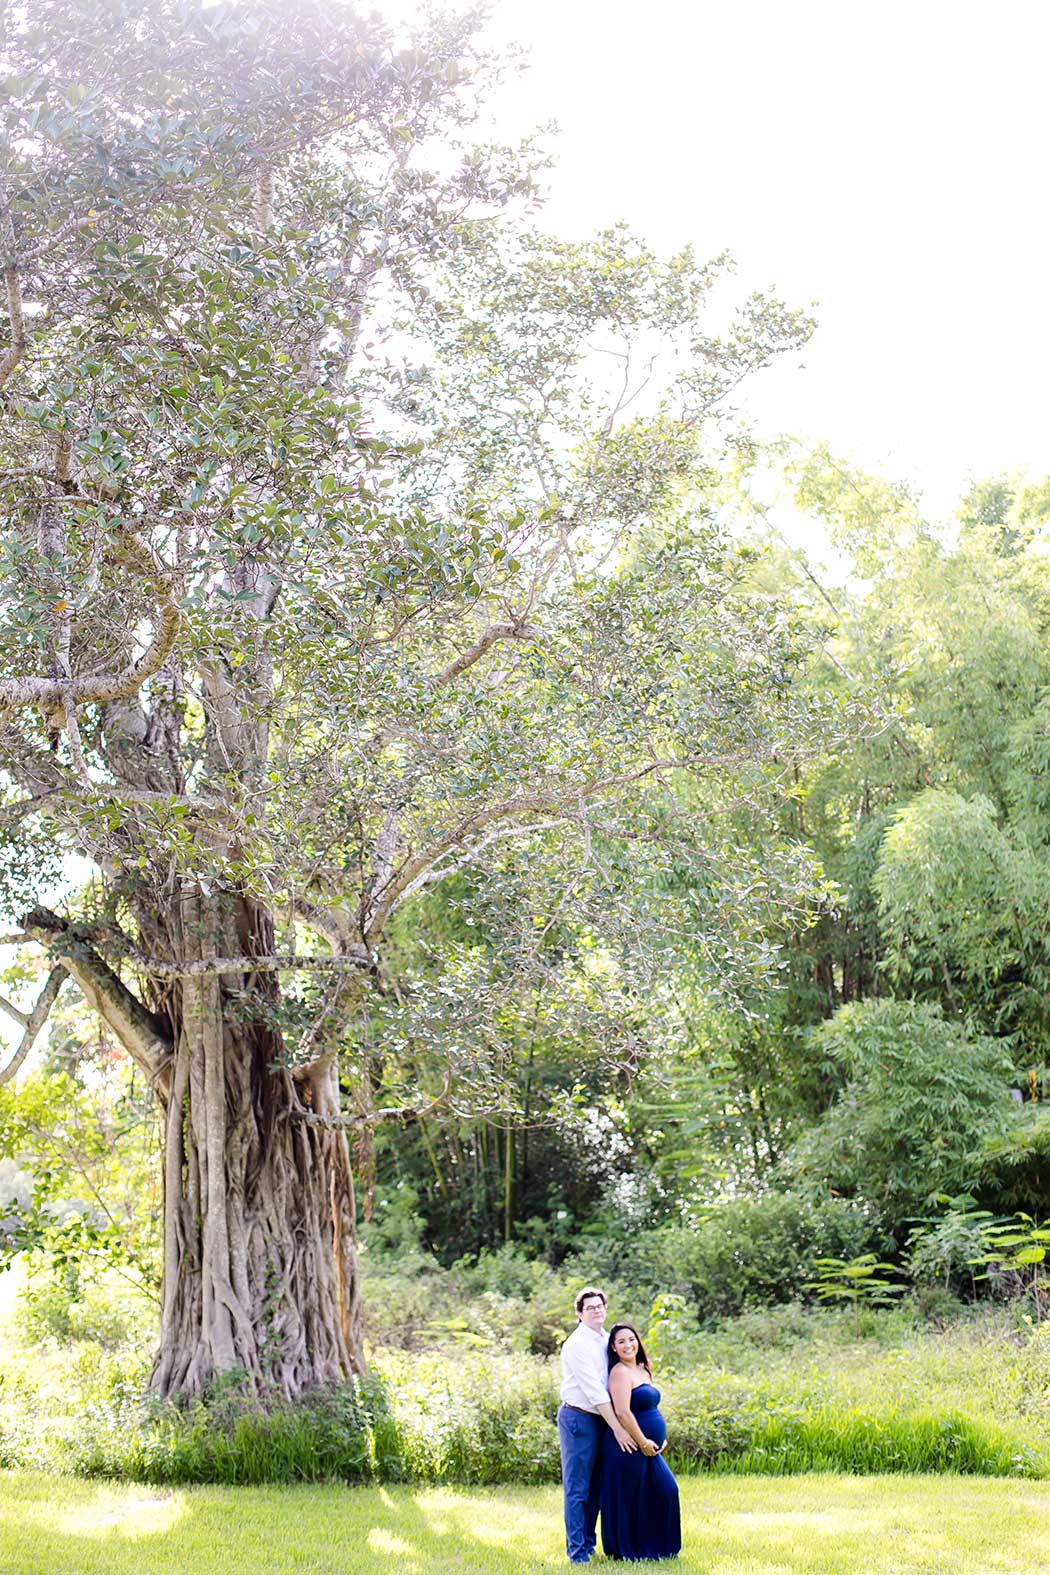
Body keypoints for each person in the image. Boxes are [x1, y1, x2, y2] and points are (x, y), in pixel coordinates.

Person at [558, 1287, 638, 1564]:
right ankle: (577, 1552)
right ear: (579, 1314)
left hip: (603, 1419)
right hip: (579, 1418)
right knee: (578, 1487)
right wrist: (618, 1427)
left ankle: (590, 1545)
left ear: (605, 1308)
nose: (596, 1310)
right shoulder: (576, 1344)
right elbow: (595, 1391)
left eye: (599, 1306)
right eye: (589, 1307)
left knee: (597, 1487)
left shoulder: (606, 1340)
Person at [599, 1322, 681, 1562]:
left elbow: (650, 1407)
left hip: (649, 1446)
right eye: (621, 1342)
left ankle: (659, 1548)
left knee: (665, 1490)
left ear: (638, 1341)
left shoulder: (643, 1369)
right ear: (614, 1348)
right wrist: (643, 1440)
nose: (628, 1345)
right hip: (628, 1446)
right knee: (633, 1497)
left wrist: (659, 1438)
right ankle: (630, 1550)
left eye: (631, 1339)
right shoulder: (619, 1373)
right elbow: (623, 1412)